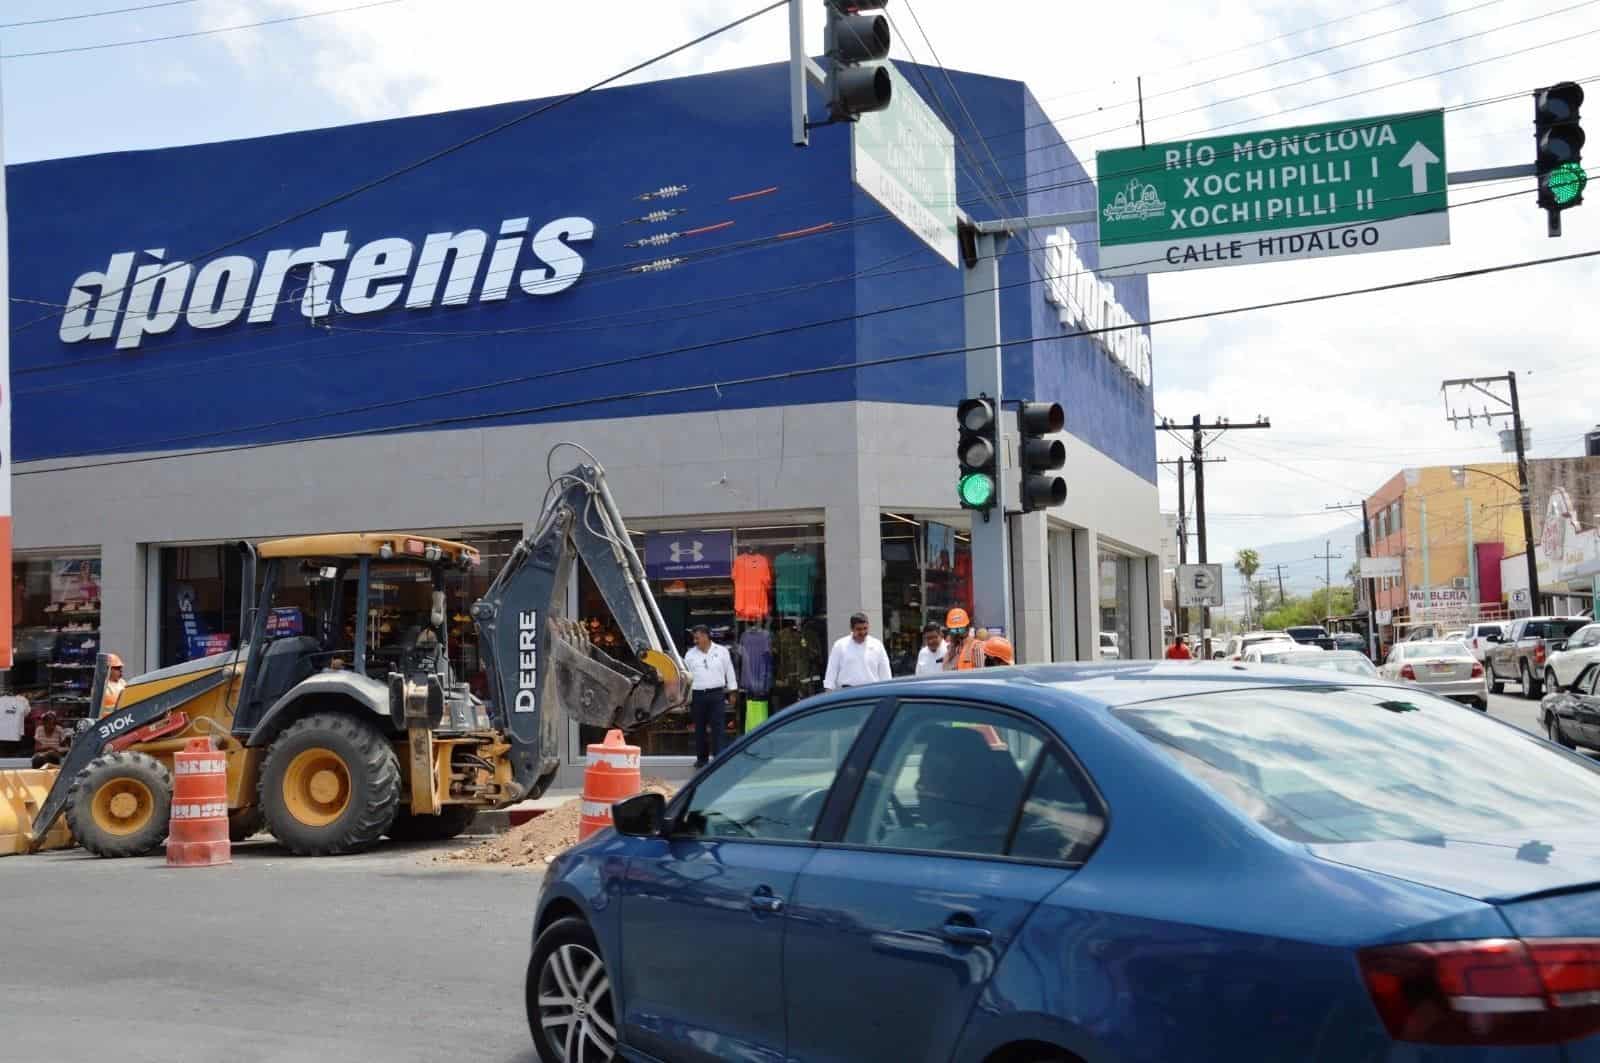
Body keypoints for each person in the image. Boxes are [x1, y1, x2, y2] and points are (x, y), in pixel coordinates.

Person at [683, 625, 737, 768]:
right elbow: (685, 677)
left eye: (697, 637)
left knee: (718, 727)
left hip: (716, 694)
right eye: (694, 638)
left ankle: (719, 758)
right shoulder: (690, 655)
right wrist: (683, 697)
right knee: (699, 728)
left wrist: (732, 691)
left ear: (706, 636)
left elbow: (729, 670)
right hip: (698, 695)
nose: (695, 641)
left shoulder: (722, 651)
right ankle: (702, 759)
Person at [823, 612, 893, 691]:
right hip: (847, 693)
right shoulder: (840, 645)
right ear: (852, 629)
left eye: (865, 628)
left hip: (872, 692)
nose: (862, 632)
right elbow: (831, 671)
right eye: (859, 629)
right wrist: (828, 690)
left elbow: (885, 673)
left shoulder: (877, 645)